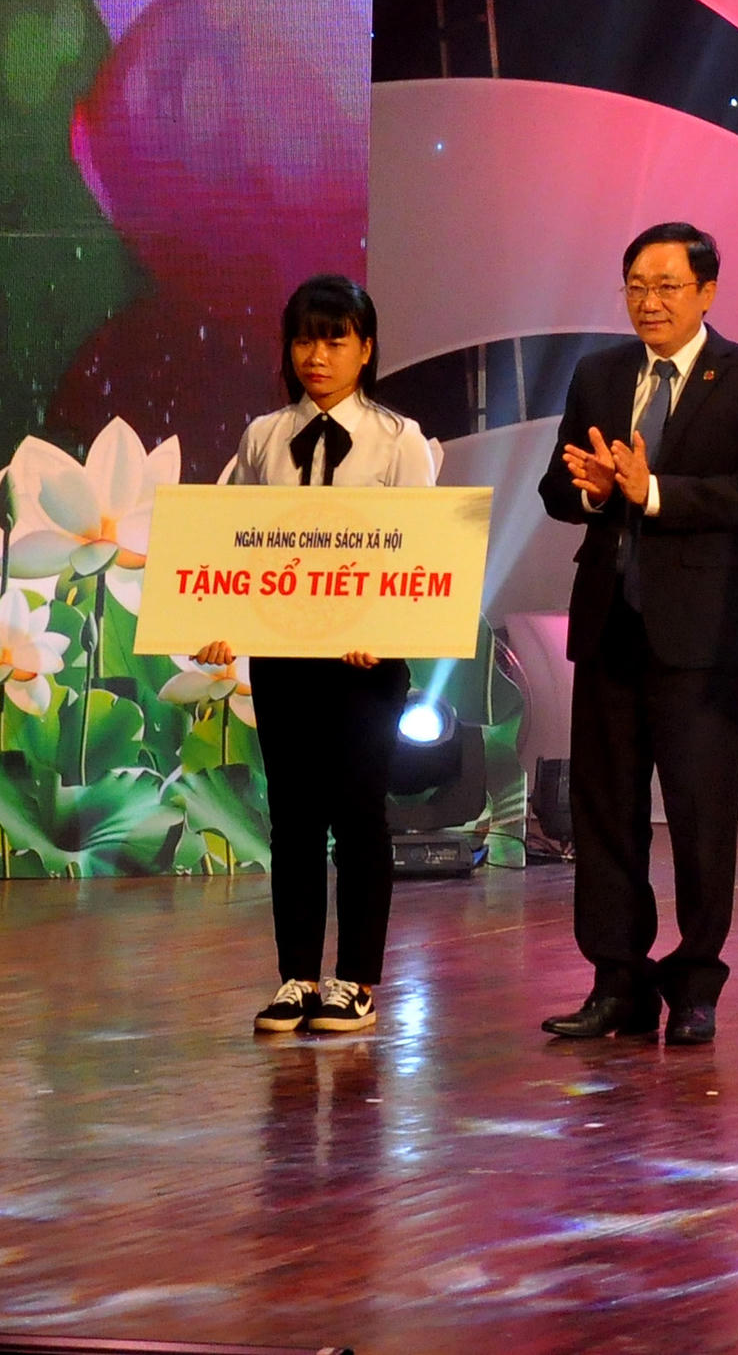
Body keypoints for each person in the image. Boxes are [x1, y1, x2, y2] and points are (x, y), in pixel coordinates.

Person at [537, 222, 738, 1047]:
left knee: (699, 817)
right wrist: (592, 489)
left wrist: (651, 491)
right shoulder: (600, 374)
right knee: (604, 813)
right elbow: (555, 487)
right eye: (636, 287)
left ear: (707, 292)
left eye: (667, 287)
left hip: (703, 637)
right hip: (609, 626)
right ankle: (616, 981)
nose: (649, 303)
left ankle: (694, 985)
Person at [201, 274, 442, 1039]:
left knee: (360, 814)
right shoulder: (263, 437)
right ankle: (297, 976)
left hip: (365, 664)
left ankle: (357, 980)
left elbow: (418, 547)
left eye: (335, 340)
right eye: (305, 339)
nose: (317, 355)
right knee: (293, 819)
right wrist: (220, 619)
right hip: (282, 656)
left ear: (366, 349)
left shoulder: (400, 441)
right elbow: (233, 541)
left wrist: (386, 628)